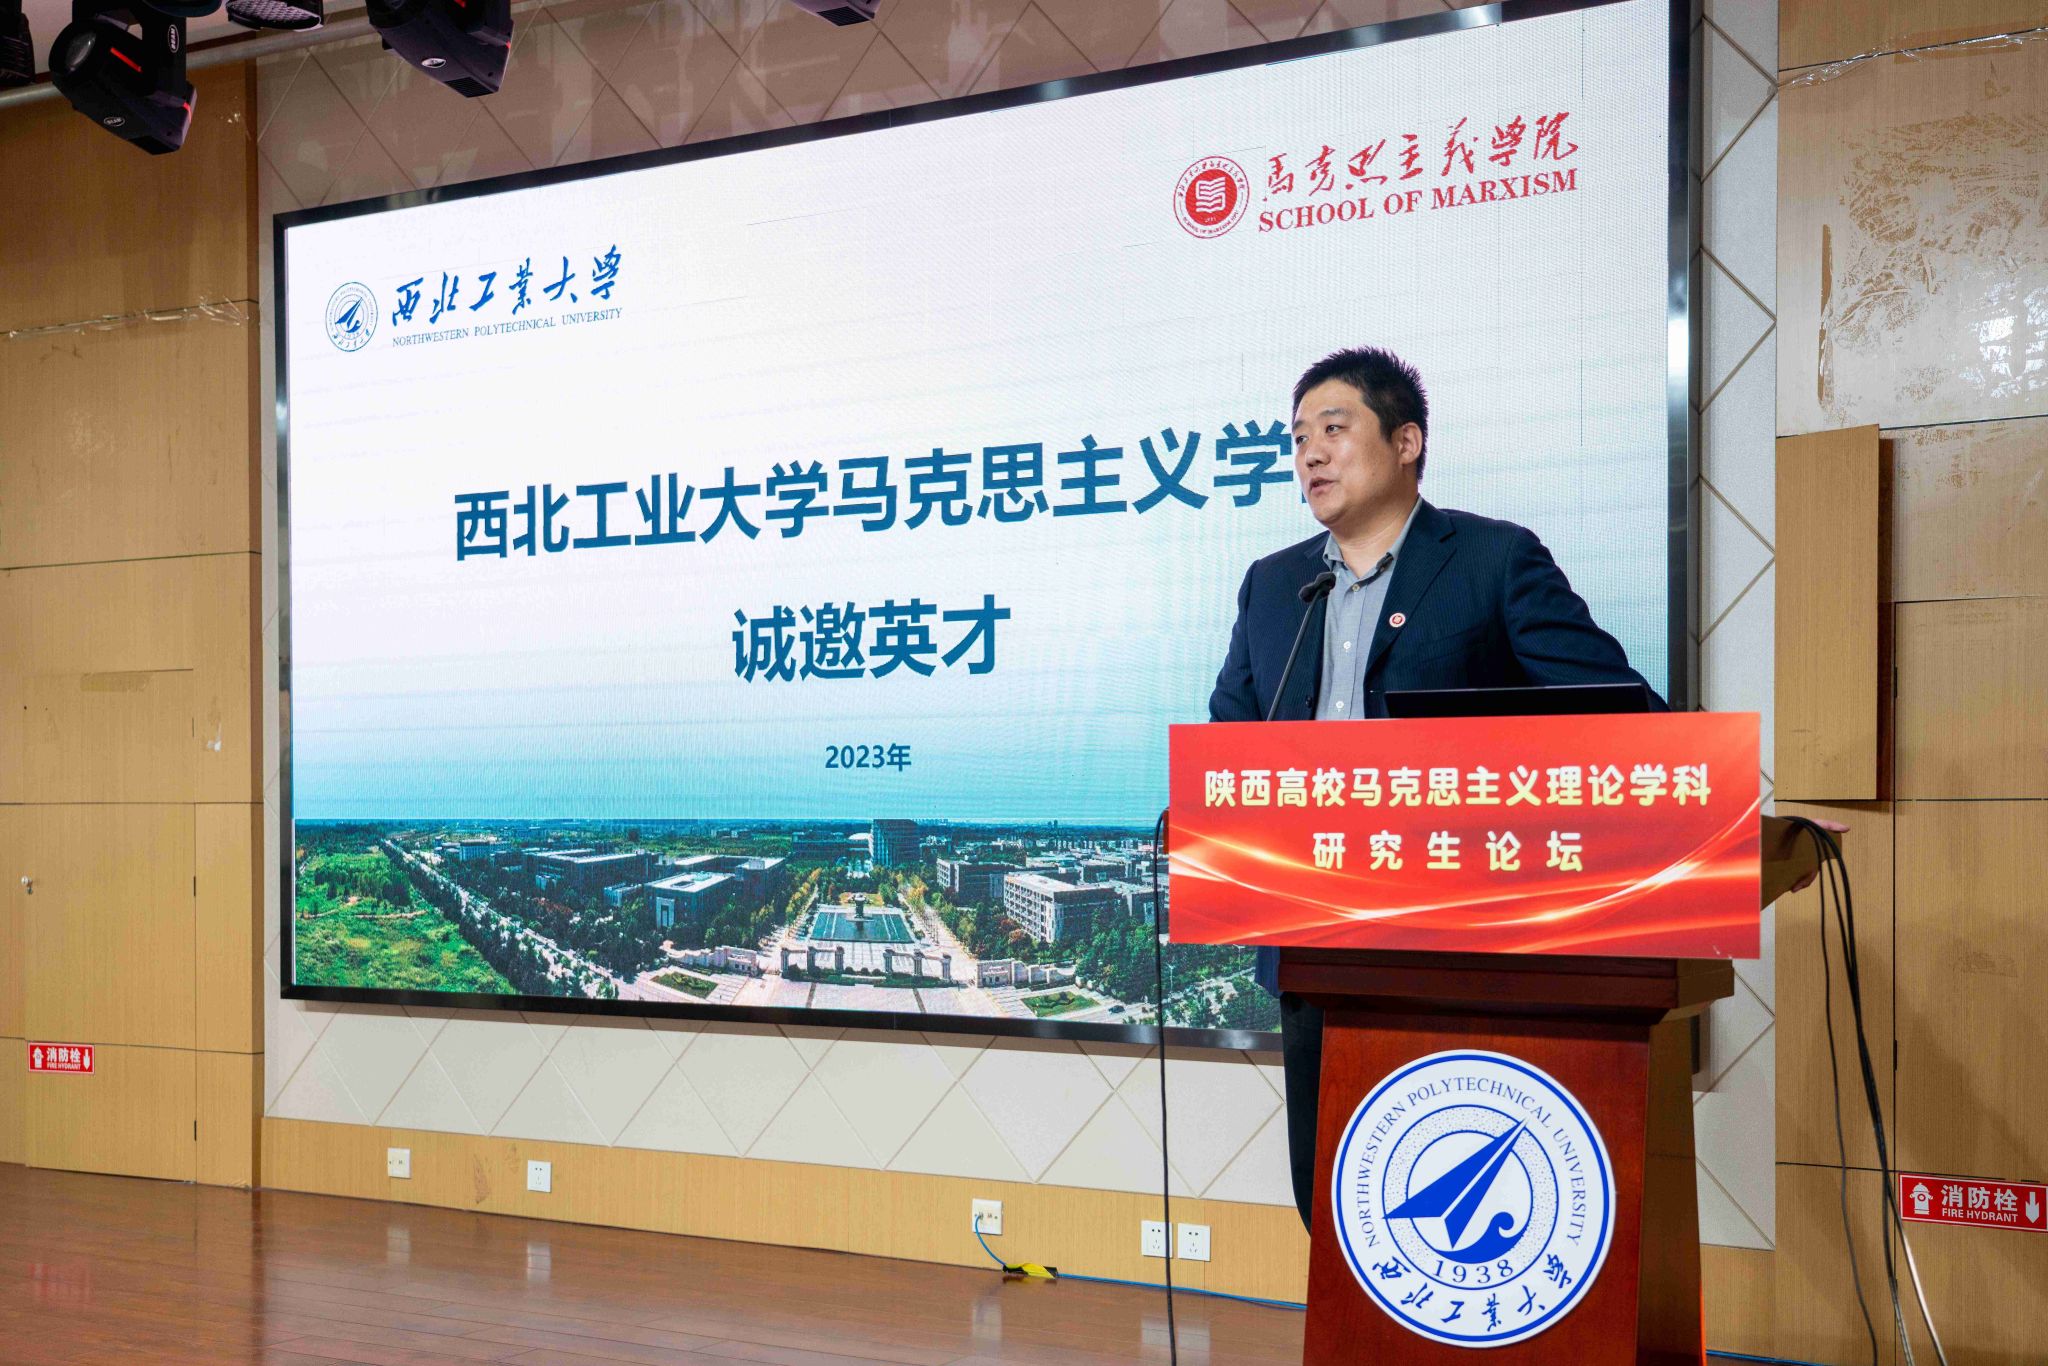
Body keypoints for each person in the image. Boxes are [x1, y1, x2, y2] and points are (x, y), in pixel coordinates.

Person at [1206, 344, 1665, 1232]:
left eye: (1333, 428)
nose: (1310, 454)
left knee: (1465, 1184)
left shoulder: (1494, 560)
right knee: (1329, 1194)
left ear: (1407, 441)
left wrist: (1726, 803)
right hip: (1313, 935)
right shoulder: (1273, 585)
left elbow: (1619, 709)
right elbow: (1229, 746)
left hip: (1463, 943)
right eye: (1297, 438)